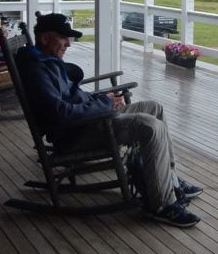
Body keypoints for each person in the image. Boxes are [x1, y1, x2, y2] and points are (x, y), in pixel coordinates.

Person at [15, 12, 203, 228]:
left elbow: (72, 98)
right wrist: (103, 104)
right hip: (76, 133)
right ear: (45, 38)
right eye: (63, 37)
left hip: (90, 121)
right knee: (150, 127)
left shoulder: (47, 61)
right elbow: (61, 112)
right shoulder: (38, 70)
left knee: (154, 108)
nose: (68, 43)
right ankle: (161, 204)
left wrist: (101, 99)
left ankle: (169, 179)